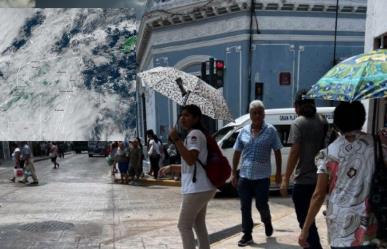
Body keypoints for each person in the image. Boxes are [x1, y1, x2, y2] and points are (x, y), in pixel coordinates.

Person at [298, 101, 378, 249]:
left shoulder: (329, 152)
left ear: (337, 122)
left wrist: (305, 230)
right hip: (370, 223)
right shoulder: (379, 144)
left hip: (340, 225)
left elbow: (318, 195)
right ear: (363, 118)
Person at [159, 104, 217, 249]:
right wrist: (172, 167)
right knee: (198, 224)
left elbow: (191, 159)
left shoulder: (194, 135)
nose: (182, 118)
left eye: (187, 115)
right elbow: (191, 165)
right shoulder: (195, 134)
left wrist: (176, 139)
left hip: (197, 188)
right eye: (181, 115)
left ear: (196, 118)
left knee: (183, 226)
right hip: (203, 187)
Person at [231, 100, 282, 247]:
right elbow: (237, 152)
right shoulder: (243, 131)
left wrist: (278, 173)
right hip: (245, 176)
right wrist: (234, 173)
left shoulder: (271, 131)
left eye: (260, 112)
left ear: (264, 114)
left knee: (261, 204)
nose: (257, 115)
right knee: (244, 206)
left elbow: (277, 151)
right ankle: (247, 234)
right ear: (250, 115)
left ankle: (267, 220)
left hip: (262, 177)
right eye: (254, 113)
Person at [280, 90, 327, 249]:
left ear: (296, 107)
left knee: (305, 222)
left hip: (303, 181)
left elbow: (294, 152)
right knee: (311, 219)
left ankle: (314, 247)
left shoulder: (298, 123)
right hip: (320, 178)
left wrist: (286, 178)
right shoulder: (322, 120)